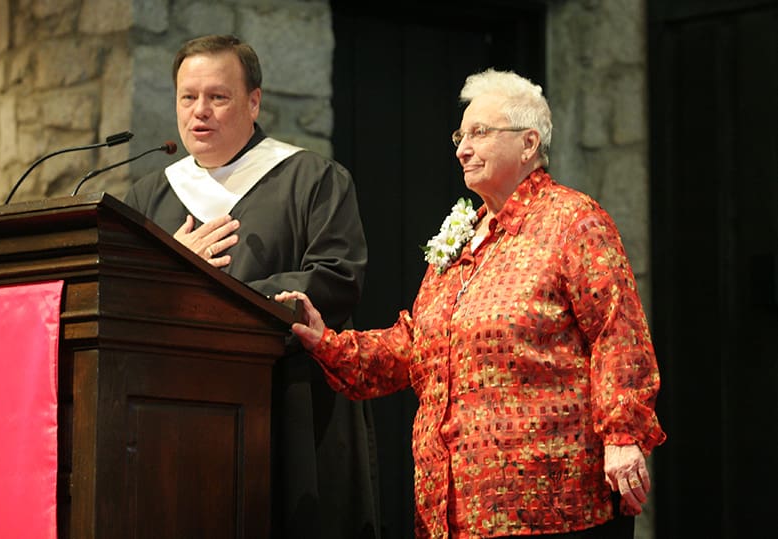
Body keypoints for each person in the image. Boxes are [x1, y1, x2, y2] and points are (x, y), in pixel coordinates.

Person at [276, 69, 666, 538]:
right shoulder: (463, 237)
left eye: (480, 133)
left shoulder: (572, 220)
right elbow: (412, 347)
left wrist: (623, 436)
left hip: (550, 505)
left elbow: (618, 334)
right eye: (461, 135)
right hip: (452, 509)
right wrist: (327, 342)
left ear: (528, 143)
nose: (462, 148)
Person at [123, 35, 379, 539]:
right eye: (187, 97)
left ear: (253, 101)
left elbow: (336, 277)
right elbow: (129, 301)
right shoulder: (148, 195)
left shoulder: (311, 178)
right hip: (174, 410)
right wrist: (168, 270)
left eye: (217, 97)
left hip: (289, 404)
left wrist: (204, 286)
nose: (200, 112)